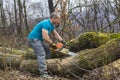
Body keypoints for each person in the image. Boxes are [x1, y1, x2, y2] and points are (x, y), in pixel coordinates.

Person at [27, 12, 66, 79]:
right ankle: (43, 74)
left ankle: (46, 66)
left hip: (38, 40)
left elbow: (55, 34)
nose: (59, 21)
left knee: (47, 51)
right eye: (58, 19)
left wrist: (62, 41)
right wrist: (52, 44)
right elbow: (45, 37)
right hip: (34, 40)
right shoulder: (46, 23)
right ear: (54, 18)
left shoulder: (51, 25)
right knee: (41, 54)